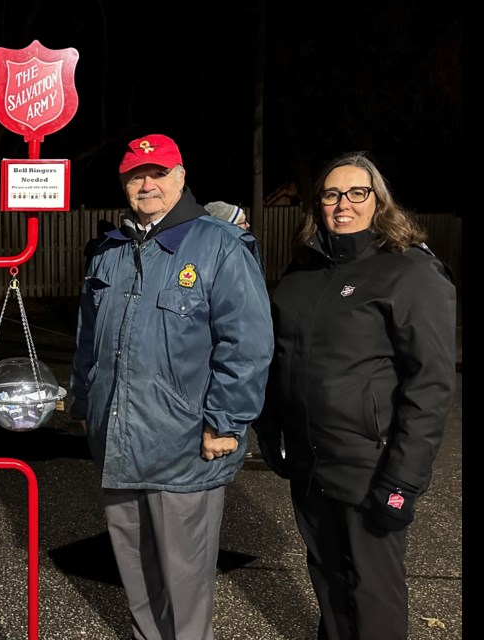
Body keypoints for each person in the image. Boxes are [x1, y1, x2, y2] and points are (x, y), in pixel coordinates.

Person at [70, 134, 274, 640]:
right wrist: (83, 399)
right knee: (135, 574)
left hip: (185, 446)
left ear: (180, 176)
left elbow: (246, 344)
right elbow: (88, 340)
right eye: (136, 175)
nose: (146, 183)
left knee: (184, 582)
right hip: (118, 442)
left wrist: (226, 423)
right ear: (123, 184)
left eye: (157, 173)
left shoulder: (219, 245)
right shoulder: (110, 252)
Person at [253, 152, 456, 640]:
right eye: (331, 194)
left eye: (356, 193)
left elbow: (430, 385)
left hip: (370, 466)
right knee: (328, 580)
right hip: (308, 460)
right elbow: (280, 360)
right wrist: (273, 430)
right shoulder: (303, 273)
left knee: (373, 592)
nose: (343, 204)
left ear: (378, 201)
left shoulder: (409, 272)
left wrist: (403, 482)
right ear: (317, 205)